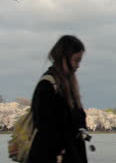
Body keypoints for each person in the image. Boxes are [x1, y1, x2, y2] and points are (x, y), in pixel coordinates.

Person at [28, 35, 88, 163]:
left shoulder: (69, 87)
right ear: (63, 58)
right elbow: (45, 126)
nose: (78, 66)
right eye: (76, 60)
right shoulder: (47, 85)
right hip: (52, 156)